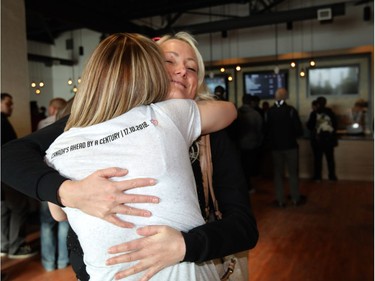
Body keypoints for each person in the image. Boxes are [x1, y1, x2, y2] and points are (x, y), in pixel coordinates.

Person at [1, 32, 258, 281]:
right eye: (169, 61)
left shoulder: (209, 136)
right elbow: (12, 156)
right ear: (144, 69)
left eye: (192, 68)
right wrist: (68, 192)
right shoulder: (89, 123)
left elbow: (244, 227)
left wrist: (185, 245)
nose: (182, 71)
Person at [1, 93, 38, 259]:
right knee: (19, 207)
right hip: (5, 174)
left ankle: (4, 246)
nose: (11, 107)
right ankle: (16, 246)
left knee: (3, 209)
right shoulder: (2, 122)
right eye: (8, 103)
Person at [37, 97, 69, 272]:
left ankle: (49, 263)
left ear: (53, 109)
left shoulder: (43, 124)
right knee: (64, 223)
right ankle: (63, 262)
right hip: (66, 179)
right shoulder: (72, 127)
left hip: (45, 177)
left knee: (46, 224)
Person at [264, 88, 306, 207]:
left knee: (278, 174)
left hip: (276, 148)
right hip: (291, 146)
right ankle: (295, 198)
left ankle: (280, 200)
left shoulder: (269, 111)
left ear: (275, 97)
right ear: (286, 96)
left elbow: (266, 131)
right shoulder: (291, 110)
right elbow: (299, 130)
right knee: (293, 173)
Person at [306, 96, 338, 181]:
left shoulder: (314, 113)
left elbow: (309, 126)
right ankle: (332, 176)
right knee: (330, 159)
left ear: (318, 104)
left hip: (318, 140)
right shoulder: (331, 113)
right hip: (329, 140)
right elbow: (335, 125)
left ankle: (318, 177)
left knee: (317, 159)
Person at [236, 95, 264, 193]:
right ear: (251, 102)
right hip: (252, 145)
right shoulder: (255, 114)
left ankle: (242, 186)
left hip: (238, 145)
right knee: (249, 168)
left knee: (241, 167)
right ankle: (249, 186)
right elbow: (260, 130)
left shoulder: (236, 112)